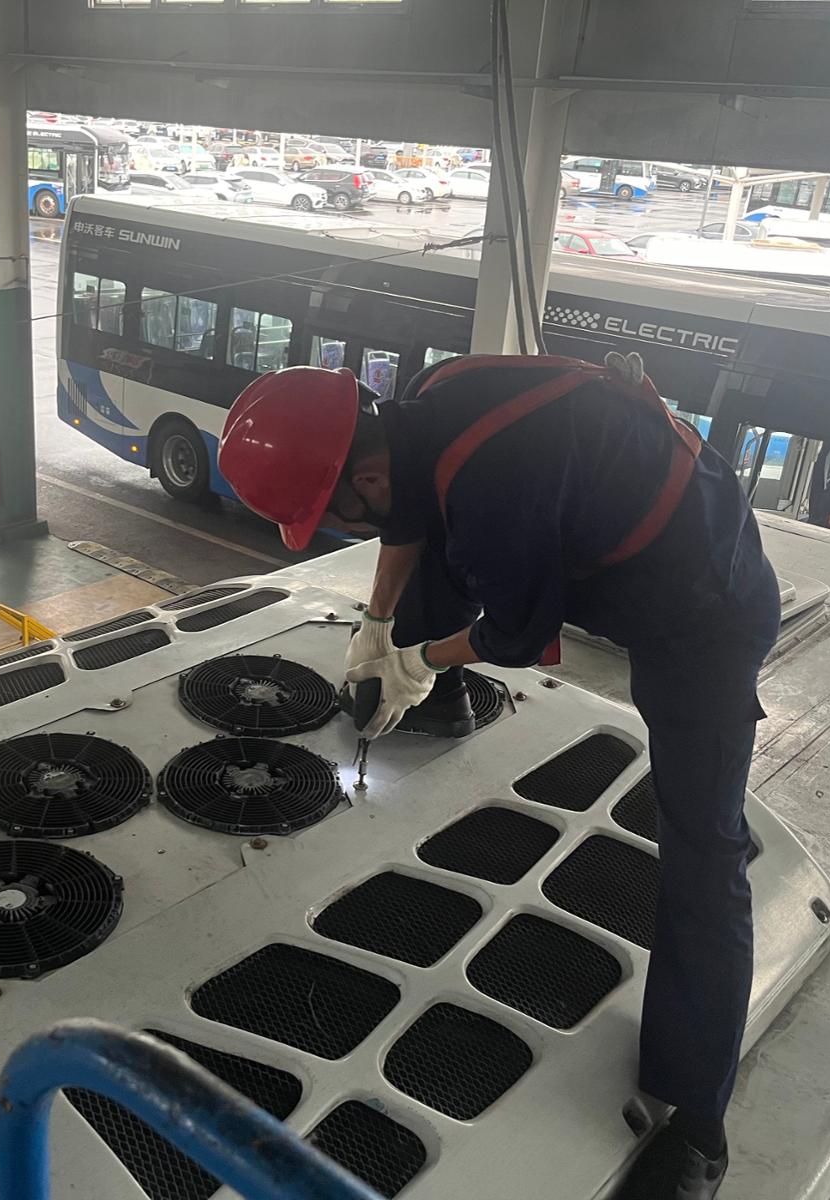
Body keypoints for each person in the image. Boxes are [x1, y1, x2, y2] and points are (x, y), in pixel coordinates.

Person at [217, 353, 781, 1200]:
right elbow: (409, 514)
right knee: (439, 561)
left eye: (340, 517)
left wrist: (418, 661)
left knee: (703, 851)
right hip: (602, 524)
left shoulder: (494, 492)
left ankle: (699, 1125)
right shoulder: (428, 403)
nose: (349, 529)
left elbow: (516, 633)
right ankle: (432, 700)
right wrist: (378, 624)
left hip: (704, 610)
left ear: (364, 476)